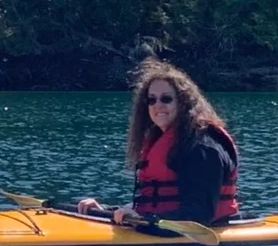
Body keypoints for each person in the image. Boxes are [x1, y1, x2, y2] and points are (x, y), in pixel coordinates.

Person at [77, 58, 240, 227]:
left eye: (166, 99)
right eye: (152, 100)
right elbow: (155, 204)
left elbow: (198, 215)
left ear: (183, 102)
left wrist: (144, 221)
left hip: (203, 232)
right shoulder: (161, 139)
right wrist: (106, 211)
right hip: (164, 228)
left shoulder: (202, 148)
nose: (158, 105)